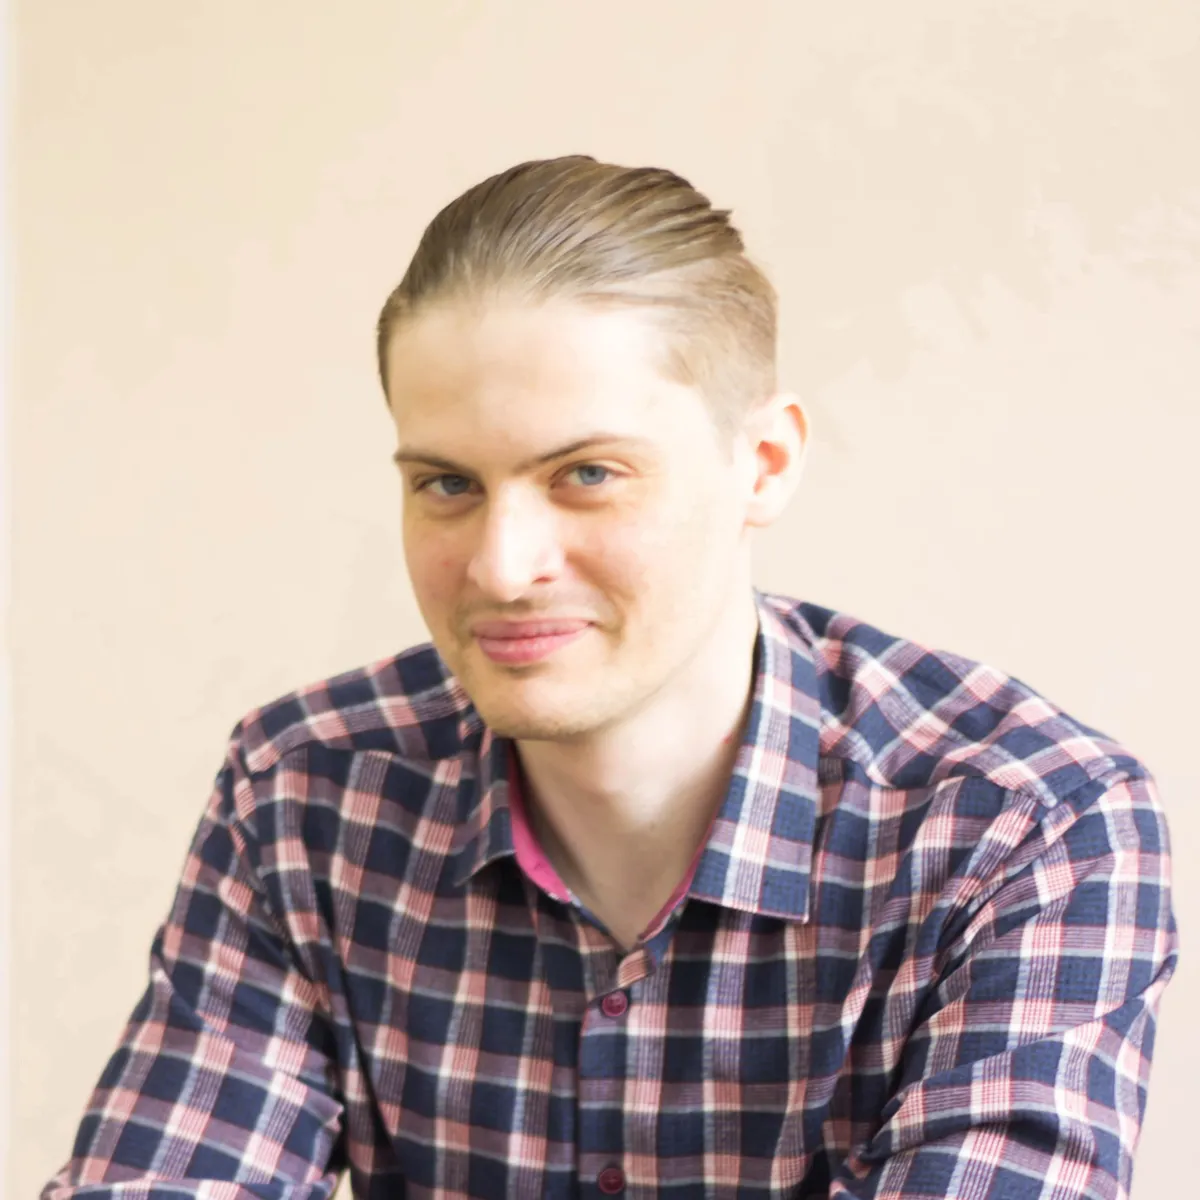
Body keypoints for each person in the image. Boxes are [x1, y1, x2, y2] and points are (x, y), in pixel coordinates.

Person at [44, 155, 1177, 1200]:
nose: (502, 567)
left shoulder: (1024, 825)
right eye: (447, 484)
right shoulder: (308, 788)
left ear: (763, 463)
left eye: (586, 474)